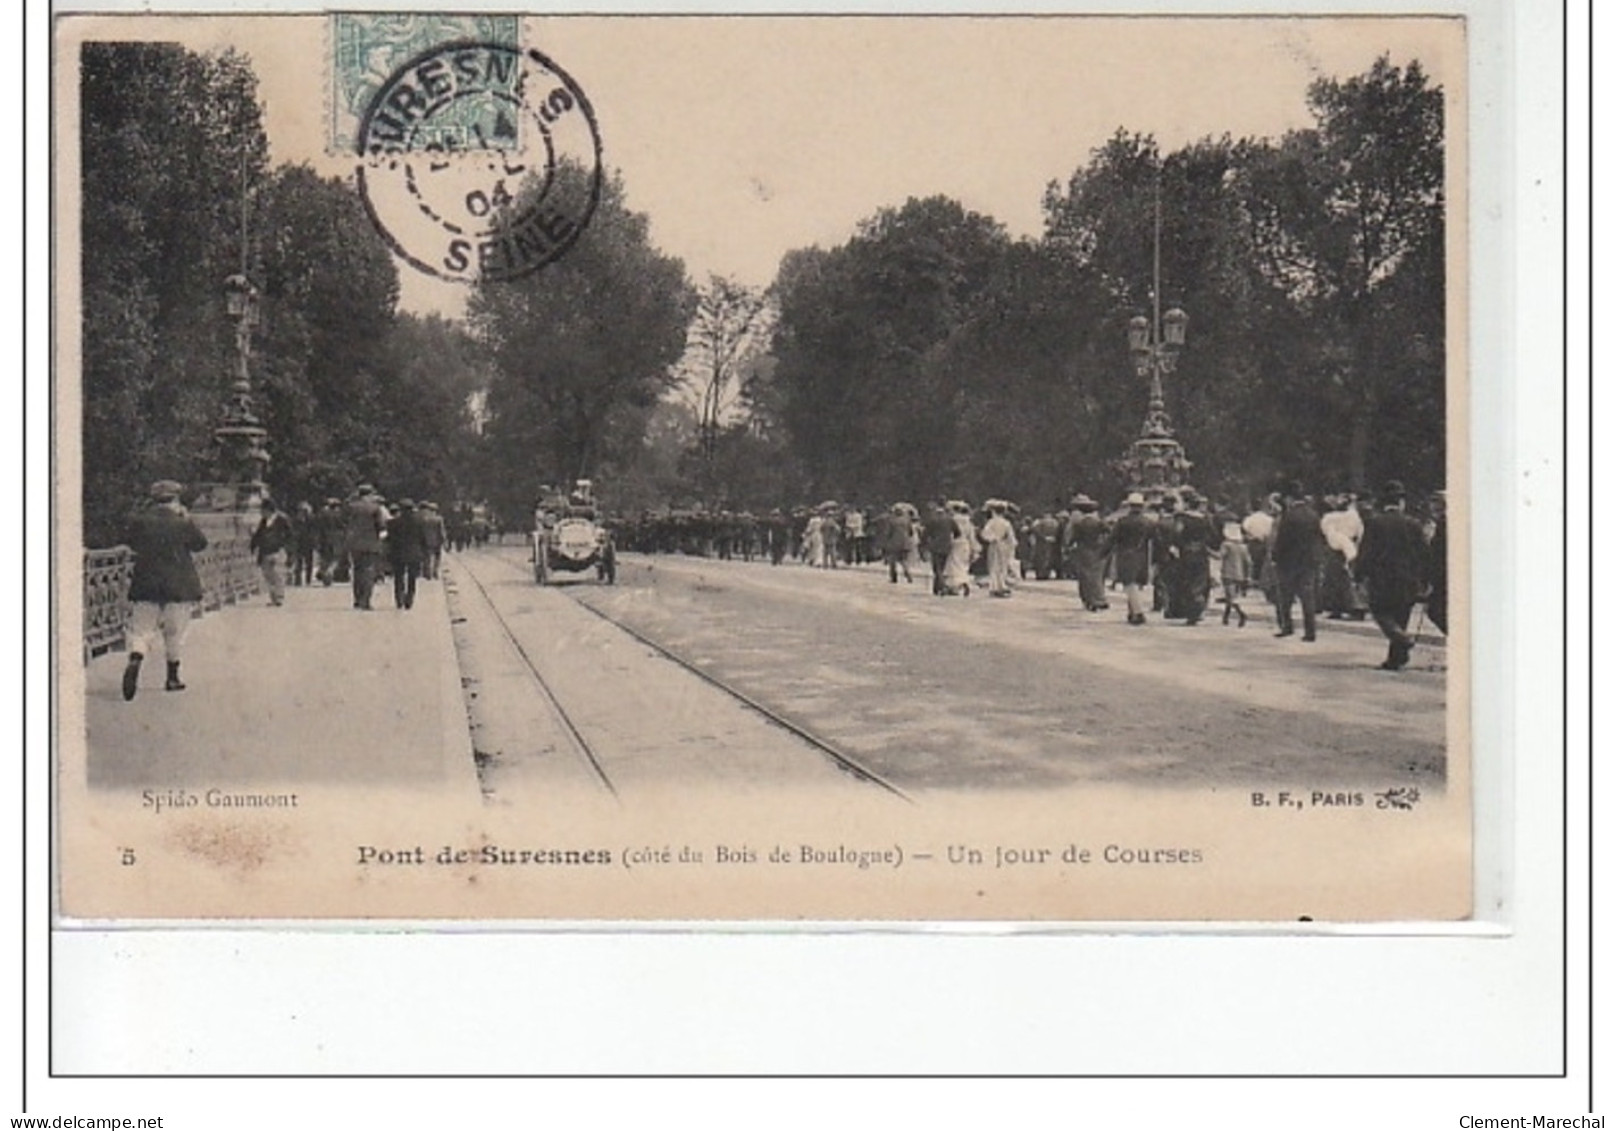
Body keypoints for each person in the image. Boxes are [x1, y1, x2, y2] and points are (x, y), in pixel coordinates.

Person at [120, 480, 207, 700]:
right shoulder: (182, 522)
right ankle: (172, 678)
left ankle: (136, 657)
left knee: (141, 629)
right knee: (174, 632)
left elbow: (131, 543)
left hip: (146, 583)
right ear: (175, 499)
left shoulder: (141, 521)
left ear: (154, 499)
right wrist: (187, 519)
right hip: (177, 585)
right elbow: (200, 544)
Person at [1355, 480, 1430, 670]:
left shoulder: (1374, 523)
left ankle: (1401, 638)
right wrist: (1426, 579)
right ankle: (1397, 657)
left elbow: (1366, 552)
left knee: (1380, 611)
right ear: (1401, 502)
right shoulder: (1413, 523)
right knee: (1401, 614)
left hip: (1382, 578)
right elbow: (1424, 553)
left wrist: (1358, 576)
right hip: (1408, 578)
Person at [1270, 482, 1326, 641]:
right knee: (1307, 596)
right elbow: (1319, 538)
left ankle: (1287, 626)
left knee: (1285, 596)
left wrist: (1275, 557)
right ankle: (1310, 631)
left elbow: (1282, 540)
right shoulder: (1313, 515)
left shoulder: (1288, 516)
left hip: (1289, 562)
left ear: (1289, 498)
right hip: (1308, 561)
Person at [1169, 489, 1219, 625]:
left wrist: (1177, 545)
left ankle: (1190, 610)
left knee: (1186, 580)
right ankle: (1199, 607)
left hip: (1186, 551)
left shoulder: (1182, 518)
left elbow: (1176, 533)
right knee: (1200, 580)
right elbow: (1214, 536)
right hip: (1201, 551)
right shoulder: (1205, 519)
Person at [1110, 493, 1155, 625]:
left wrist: (1102, 554)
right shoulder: (1148, 523)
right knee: (1136, 585)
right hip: (1142, 555)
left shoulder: (1122, 522)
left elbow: (1112, 539)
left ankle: (1138, 612)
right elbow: (1156, 539)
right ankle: (1132, 612)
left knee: (1129, 584)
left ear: (1129, 506)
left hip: (1125, 554)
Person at [1063, 495, 1111, 612]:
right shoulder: (1099, 522)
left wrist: (1067, 548)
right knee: (1098, 575)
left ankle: (1089, 600)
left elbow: (1072, 538)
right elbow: (1109, 532)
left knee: (1085, 576)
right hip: (1098, 550)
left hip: (1084, 550)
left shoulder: (1079, 523)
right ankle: (1100, 598)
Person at [344, 483, 388, 611]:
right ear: (371, 494)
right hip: (370, 544)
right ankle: (366, 600)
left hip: (354, 543)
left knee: (357, 571)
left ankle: (357, 599)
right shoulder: (375, 508)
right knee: (368, 571)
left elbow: (344, 522)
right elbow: (381, 527)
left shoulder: (352, 507)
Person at [249, 497, 294, 607]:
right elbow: (258, 535)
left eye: (262, 510)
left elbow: (290, 536)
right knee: (268, 575)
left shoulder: (282, 519)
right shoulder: (264, 521)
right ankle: (273, 597)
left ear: (268, 510)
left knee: (277, 573)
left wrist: (289, 550)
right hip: (265, 551)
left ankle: (279, 597)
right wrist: (253, 546)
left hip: (278, 550)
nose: (261, 513)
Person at [386, 498, 430, 610]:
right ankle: (409, 599)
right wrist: (424, 552)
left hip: (398, 553)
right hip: (414, 553)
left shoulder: (393, 523)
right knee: (412, 577)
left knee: (398, 576)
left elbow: (389, 539)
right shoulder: (420, 522)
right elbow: (423, 538)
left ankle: (399, 598)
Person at [1217, 511, 1252, 627]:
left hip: (1228, 573)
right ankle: (1225, 617)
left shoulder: (1226, 545)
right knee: (1231, 596)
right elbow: (1249, 562)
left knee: (1230, 597)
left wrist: (1207, 551)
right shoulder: (1243, 546)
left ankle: (1241, 614)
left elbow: (1220, 556)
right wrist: (1248, 576)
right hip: (1240, 574)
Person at [979, 501, 1018, 597]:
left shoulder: (991, 522)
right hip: (1004, 545)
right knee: (1002, 566)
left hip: (994, 545)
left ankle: (995, 587)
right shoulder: (1006, 523)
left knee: (993, 566)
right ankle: (1002, 586)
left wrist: (992, 538)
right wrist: (1011, 545)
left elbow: (984, 534)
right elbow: (1011, 537)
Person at [921, 501, 958, 596]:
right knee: (942, 566)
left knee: (937, 568)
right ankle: (936, 588)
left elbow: (925, 534)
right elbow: (958, 533)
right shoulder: (950, 520)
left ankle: (942, 586)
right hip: (947, 546)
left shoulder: (932, 520)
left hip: (935, 546)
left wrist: (924, 544)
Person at [1425, 491, 1448, 636]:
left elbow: (1438, 553)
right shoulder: (1440, 523)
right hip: (1442, 576)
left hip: (1443, 576)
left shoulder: (1443, 524)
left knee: (1435, 611)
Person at [943, 500, 977, 596]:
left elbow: (951, 533)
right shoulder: (969, 522)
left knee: (953, 564)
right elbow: (971, 536)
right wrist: (973, 548)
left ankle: (955, 585)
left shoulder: (953, 520)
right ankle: (963, 581)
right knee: (963, 564)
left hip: (955, 543)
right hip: (965, 544)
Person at [290, 501, 318, 587]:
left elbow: (314, 530)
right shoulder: (295, 520)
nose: (301, 512)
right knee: (298, 561)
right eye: (300, 510)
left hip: (308, 542)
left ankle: (308, 579)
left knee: (309, 562)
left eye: (303, 510)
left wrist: (314, 540)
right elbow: (293, 530)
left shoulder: (311, 519)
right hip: (299, 542)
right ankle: (297, 580)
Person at [419, 501, 446, 580]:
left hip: (426, 540)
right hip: (437, 541)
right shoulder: (439, 519)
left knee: (427, 557)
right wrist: (444, 540)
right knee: (437, 557)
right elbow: (441, 530)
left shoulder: (425, 519)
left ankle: (427, 573)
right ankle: (435, 571)